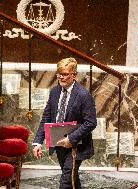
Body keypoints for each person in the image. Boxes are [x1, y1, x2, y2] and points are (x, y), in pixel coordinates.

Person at [32, 57, 97, 189]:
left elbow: (91, 122)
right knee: (72, 179)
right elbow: (46, 118)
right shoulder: (54, 92)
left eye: (65, 74)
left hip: (76, 146)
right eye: (59, 74)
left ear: (74, 75)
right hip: (59, 144)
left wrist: (71, 138)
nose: (61, 77)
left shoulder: (83, 95)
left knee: (66, 182)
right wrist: (38, 142)